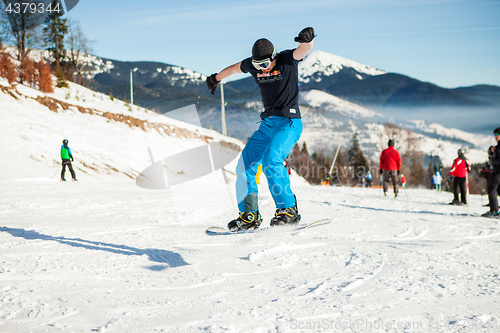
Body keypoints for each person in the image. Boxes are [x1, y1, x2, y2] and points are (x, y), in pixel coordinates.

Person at [206, 27, 315, 231]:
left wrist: (307, 41)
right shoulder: (253, 65)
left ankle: (288, 209)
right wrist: (215, 79)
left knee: (272, 160)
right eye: (257, 65)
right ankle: (249, 215)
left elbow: (304, 49)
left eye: (265, 64)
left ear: (274, 58)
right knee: (245, 165)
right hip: (267, 125)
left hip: (288, 123)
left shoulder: (286, 60)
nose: (262, 69)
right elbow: (233, 69)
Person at [482, 128, 500, 217]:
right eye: (494, 135)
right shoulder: (497, 147)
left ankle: (494, 211)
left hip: (498, 171)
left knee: (491, 189)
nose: (495, 137)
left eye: (497, 135)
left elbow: (497, 160)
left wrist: (491, 158)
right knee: (498, 190)